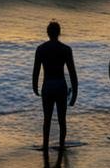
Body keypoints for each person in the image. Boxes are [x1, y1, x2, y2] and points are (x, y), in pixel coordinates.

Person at [33, 21, 78, 150]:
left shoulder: (41, 49)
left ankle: (45, 145)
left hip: (47, 85)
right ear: (59, 33)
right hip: (60, 85)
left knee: (47, 118)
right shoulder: (66, 49)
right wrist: (75, 92)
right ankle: (62, 145)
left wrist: (34, 86)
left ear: (47, 33)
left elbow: (36, 70)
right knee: (62, 119)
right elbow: (72, 72)